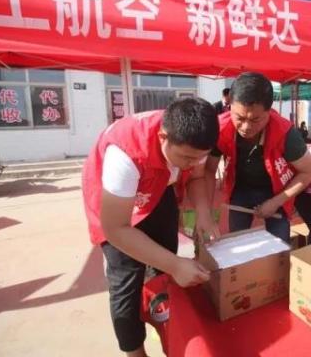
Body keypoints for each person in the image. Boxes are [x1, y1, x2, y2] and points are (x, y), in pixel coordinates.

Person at [81, 98, 220, 357]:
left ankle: (163, 321)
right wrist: (176, 265)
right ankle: (135, 351)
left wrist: (204, 215)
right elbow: (116, 228)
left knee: (163, 263)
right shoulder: (125, 153)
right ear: (163, 137)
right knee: (126, 279)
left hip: (160, 188)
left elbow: (197, 177)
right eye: (186, 157)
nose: (192, 164)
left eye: (199, 157)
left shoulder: (193, 141)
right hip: (117, 203)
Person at [205, 72, 311, 243]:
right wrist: (207, 213)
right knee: (237, 243)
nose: (246, 127)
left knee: (280, 246)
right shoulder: (220, 129)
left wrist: (276, 202)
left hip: (276, 190)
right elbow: (209, 170)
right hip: (239, 189)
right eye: (239, 118)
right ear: (230, 107)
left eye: (255, 119)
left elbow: (308, 172)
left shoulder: (286, 134)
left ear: (269, 111)